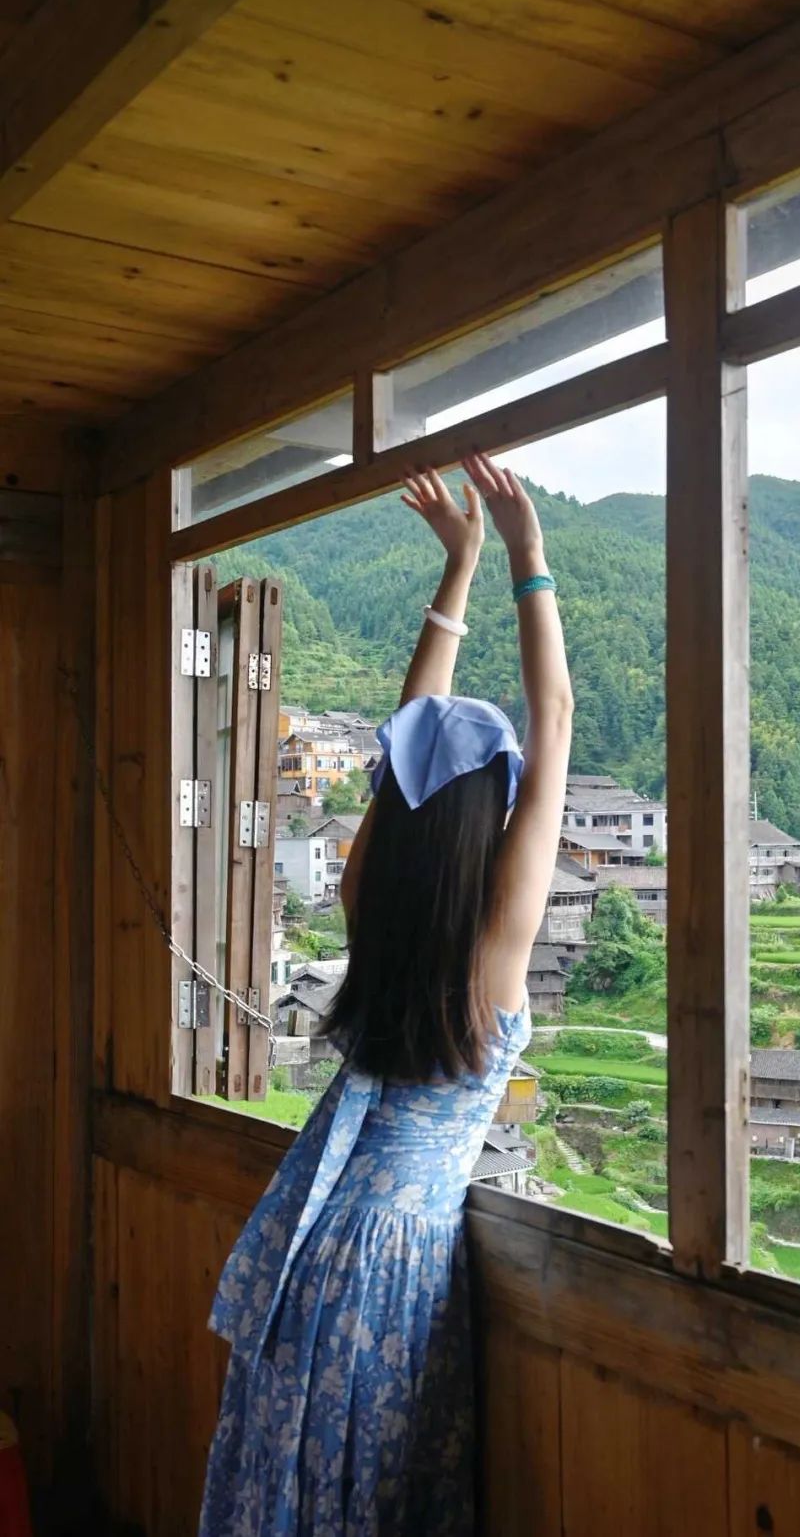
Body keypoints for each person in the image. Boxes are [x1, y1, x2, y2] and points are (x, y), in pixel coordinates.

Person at [199, 453, 573, 1537]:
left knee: (297, 1485)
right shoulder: (495, 948)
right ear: (490, 817)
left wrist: (456, 571)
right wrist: (524, 558)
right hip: (392, 1265)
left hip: (313, 1239)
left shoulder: (370, 892)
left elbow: (407, 751)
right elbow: (553, 724)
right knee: (374, 1498)